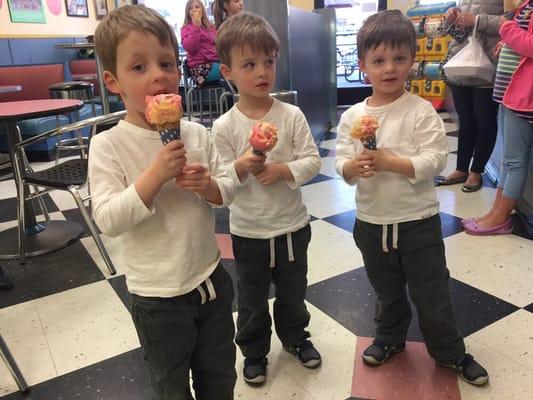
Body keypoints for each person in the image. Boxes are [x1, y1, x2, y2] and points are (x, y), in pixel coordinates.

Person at [335, 10, 489, 386]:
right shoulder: (353, 117)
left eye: (399, 59)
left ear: (412, 62)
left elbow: (435, 159)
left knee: (432, 292)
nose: (390, 68)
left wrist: (393, 162)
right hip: (371, 223)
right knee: (386, 292)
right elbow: (341, 158)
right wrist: (352, 168)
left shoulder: (420, 112)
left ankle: (450, 351)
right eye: (379, 61)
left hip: (417, 222)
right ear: (363, 66)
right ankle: (390, 338)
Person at [91, 5, 236, 399]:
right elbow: (107, 219)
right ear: (113, 81)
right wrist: (154, 176)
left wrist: (207, 186)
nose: (158, 75)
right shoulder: (107, 146)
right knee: (171, 386)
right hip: (157, 299)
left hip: (211, 280)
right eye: (139, 67)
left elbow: (228, 189)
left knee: (221, 377)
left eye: (167, 63)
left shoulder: (196, 134)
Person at [213, 12, 322, 386]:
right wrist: (242, 165)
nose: (262, 71)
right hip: (249, 231)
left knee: (293, 291)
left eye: (269, 62)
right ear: (228, 72)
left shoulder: (290, 116)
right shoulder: (224, 127)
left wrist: (282, 170)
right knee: (252, 298)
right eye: (249, 64)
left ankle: (295, 338)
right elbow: (221, 182)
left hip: (291, 225)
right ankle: (254, 351)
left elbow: (312, 160)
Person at [463, 0, 533, 235]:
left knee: (514, 161)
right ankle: (495, 212)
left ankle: (500, 218)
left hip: (524, 98)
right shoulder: (527, 5)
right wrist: (508, 38)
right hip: (512, 93)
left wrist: (506, 29)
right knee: (508, 160)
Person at [436, 0, 504, 192]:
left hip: (487, 66)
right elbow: (455, 34)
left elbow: (511, 23)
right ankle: (461, 168)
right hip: (461, 67)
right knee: (466, 121)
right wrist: (451, 20)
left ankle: (476, 171)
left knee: (485, 121)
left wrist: (476, 20)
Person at [181, 0, 221, 86]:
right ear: (188, 13)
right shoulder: (186, 29)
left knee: (233, 68)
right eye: (191, 8)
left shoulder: (210, 27)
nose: (194, 10)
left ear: (202, 9)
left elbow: (218, 43)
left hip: (214, 63)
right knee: (231, 71)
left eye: (197, 7)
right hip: (199, 68)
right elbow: (190, 48)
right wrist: (196, 27)